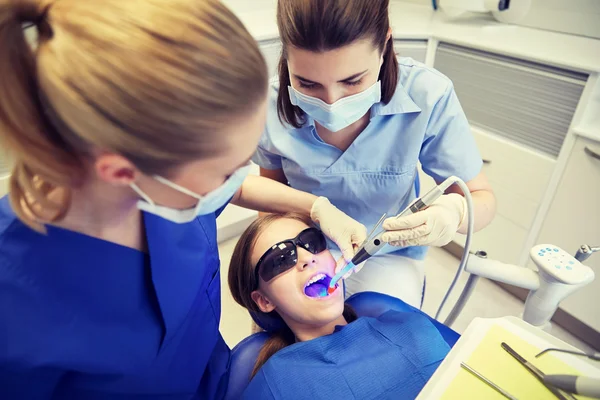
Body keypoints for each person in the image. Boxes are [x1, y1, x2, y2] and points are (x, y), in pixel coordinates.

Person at [0, 0, 366, 398]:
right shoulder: (15, 305)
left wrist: (315, 208)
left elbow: (236, 186)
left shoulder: (169, 188)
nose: (235, 179)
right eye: (223, 171)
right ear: (121, 172)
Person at [253, 0, 497, 308]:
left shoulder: (428, 94)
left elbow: (481, 197)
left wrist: (455, 212)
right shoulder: (269, 105)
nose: (331, 102)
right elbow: (269, 201)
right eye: (308, 84)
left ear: (385, 45)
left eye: (353, 80)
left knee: (383, 336)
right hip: (306, 251)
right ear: (286, 56)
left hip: (388, 256)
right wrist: (279, 262)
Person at [228, 213, 454, 399]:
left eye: (312, 242)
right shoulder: (273, 385)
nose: (308, 257)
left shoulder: (405, 324)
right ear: (264, 301)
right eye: (280, 259)